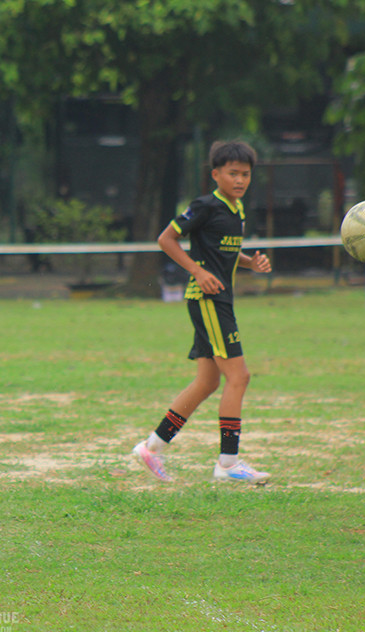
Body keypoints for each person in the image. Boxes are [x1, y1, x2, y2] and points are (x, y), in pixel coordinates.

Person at [132, 140, 272, 484]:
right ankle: (227, 464)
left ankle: (152, 447)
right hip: (208, 299)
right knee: (239, 377)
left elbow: (222, 251)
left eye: (246, 174)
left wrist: (249, 261)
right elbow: (166, 239)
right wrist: (197, 271)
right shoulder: (205, 206)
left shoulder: (236, 210)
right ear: (216, 174)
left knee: (209, 381)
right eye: (233, 173)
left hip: (219, 298)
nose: (240, 180)